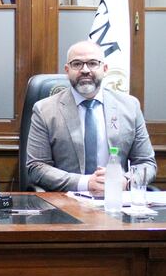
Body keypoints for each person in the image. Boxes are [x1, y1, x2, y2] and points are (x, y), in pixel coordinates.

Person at [26, 40, 156, 194]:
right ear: (67, 70)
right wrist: (85, 183)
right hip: (67, 200)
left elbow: (146, 163)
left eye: (93, 63)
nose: (85, 70)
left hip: (117, 199)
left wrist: (126, 181)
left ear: (105, 69)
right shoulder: (44, 110)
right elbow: (36, 167)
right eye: (77, 64)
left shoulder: (129, 106)